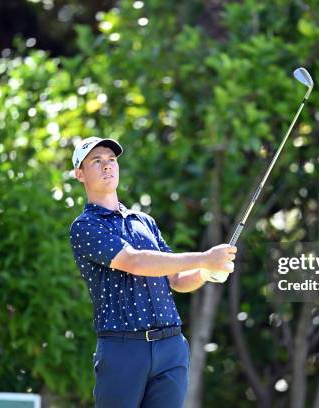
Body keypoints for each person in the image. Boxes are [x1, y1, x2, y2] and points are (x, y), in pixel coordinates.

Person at [69, 137, 237, 408]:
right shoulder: (85, 226)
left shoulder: (144, 222)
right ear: (80, 174)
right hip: (123, 349)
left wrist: (206, 271)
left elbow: (177, 279)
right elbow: (135, 262)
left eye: (111, 160)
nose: (107, 167)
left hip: (171, 347)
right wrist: (206, 257)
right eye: (96, 162)